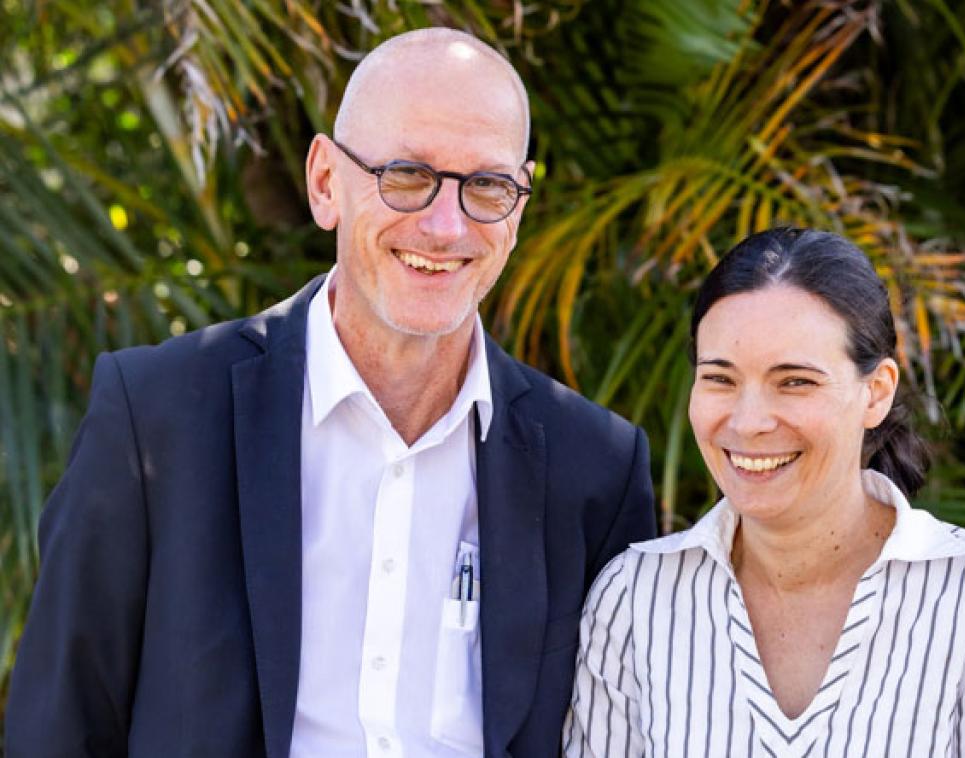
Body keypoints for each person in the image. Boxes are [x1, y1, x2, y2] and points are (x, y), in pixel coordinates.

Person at [7, 28, 656, 758]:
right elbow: (57, 729)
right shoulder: (156, 416)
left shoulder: (594, 468)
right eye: (408, 174)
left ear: (519, 208)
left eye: (487, 187)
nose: (446, 227)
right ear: (325, 183)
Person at [563, 227, 965, 756]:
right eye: (720, 379)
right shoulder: (636, 596)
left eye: (795, 381)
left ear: (876, 393)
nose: (749, 421)